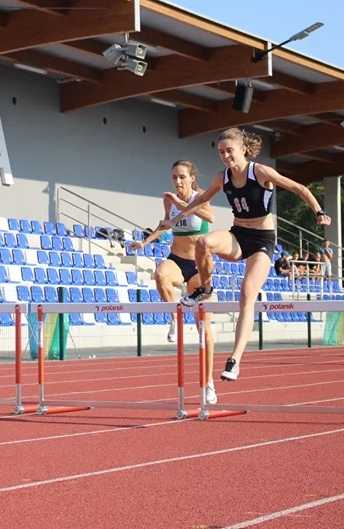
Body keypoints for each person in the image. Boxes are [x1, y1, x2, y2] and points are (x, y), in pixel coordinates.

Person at [159, 127, 331, 383]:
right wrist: (175, 219)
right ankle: (205, 289)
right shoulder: (222, 177)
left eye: (230, 150)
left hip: (263, 241)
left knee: (247, 294)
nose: (225, 155)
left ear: (242, 149)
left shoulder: (260, 172)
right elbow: (201, 200)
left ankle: (234, 360)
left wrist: (318, 211)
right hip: (238, 235)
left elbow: (299, 188)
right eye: (221, 152)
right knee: (204, 243)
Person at [129, 160, 218, 404]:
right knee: (160, 275)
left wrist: (185, 204)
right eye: (174, 178)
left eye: (181, 177)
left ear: (191, 178)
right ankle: (174, 318)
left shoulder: (201, 196)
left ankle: (208, 381)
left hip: (199, 266)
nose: (177, 182)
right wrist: (145, 242)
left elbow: (210, 216)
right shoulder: (168, 199)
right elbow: (165, 223)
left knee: (205, 330)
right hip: (177, 258)